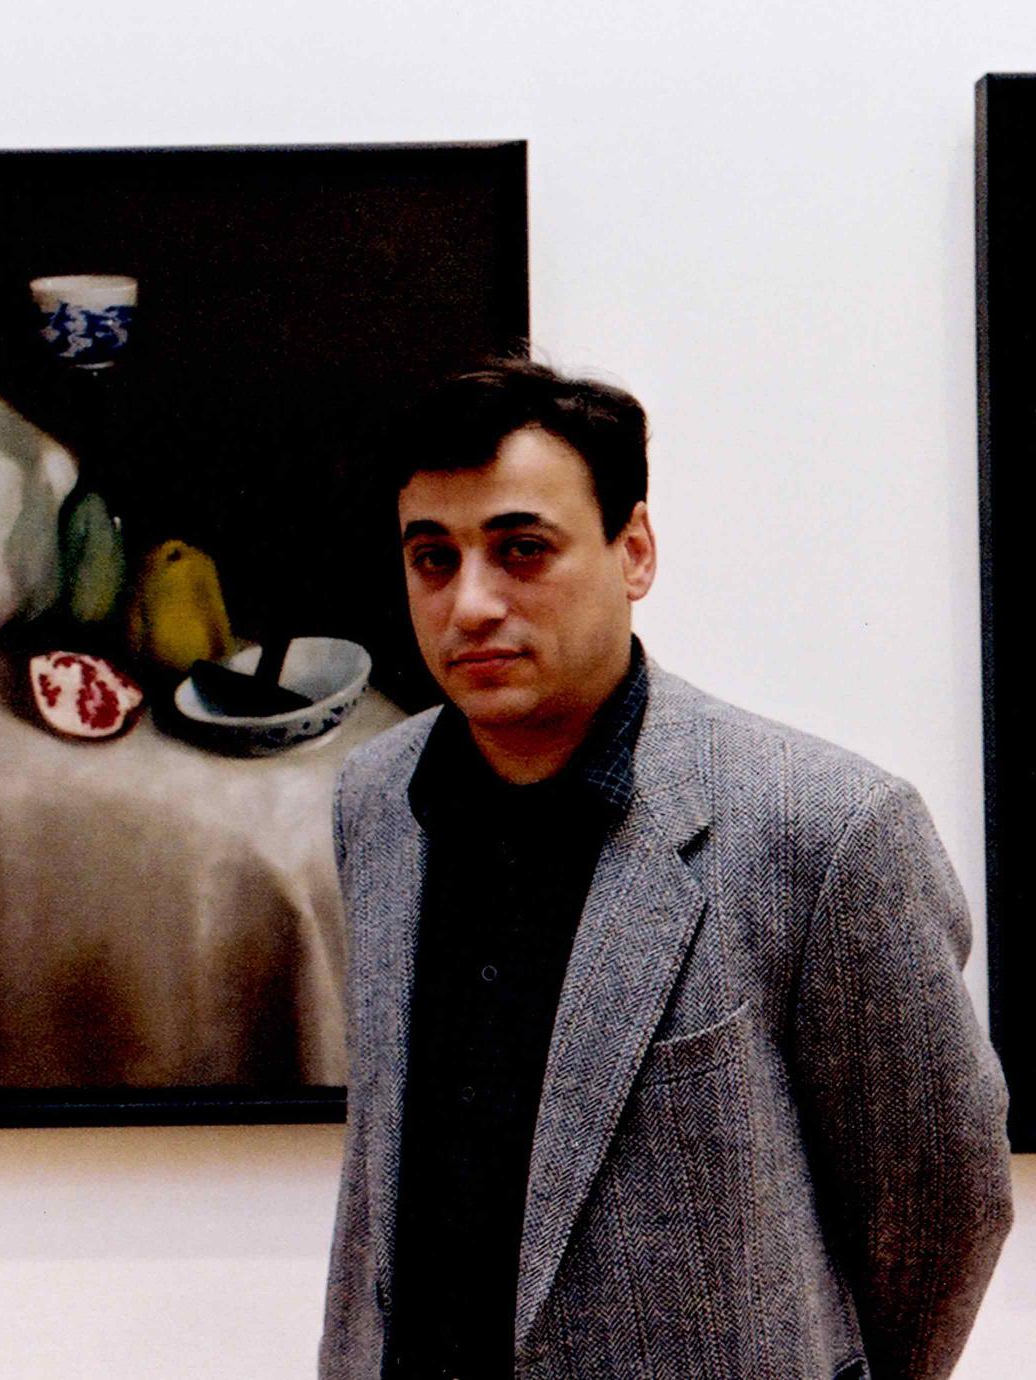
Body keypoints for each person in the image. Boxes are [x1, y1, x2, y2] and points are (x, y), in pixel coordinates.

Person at [319, 359, 1013, 1380]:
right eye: (433, 558)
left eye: (521, 549)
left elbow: (942, 1199)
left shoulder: (824, 826)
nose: (469, 604)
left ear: (633, 550)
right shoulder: (376, 799)